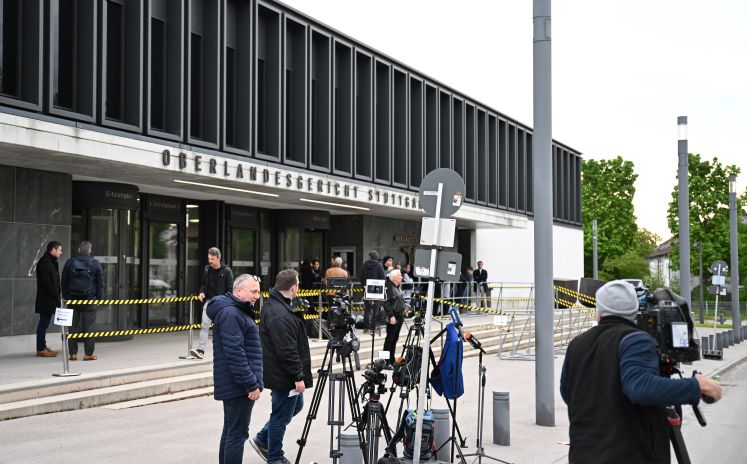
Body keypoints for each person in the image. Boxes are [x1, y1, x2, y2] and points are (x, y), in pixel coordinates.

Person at [560, 280, 722, 463]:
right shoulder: (635, 340)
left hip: (582, 455)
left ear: (599, 312)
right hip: (628, 455)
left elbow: (568, 393)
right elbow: (640, 388)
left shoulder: (577, 344)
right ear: (634, 310)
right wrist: (696, 386)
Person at [251, 269, 312, 464]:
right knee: (280, 416)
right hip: (283, 375)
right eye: (298, 284)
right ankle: (275, 457)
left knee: (296, 405)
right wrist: (297, 376)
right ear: (293, 287)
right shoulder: (279, 313)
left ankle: (263, 438)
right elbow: (286, 350)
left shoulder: (278, 305)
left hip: (281, 372)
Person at [207, 274, 263, 464]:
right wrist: (251, 384)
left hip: (235, 383)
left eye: (258, 292)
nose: (257, 296)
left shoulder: (236, 310)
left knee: (231, 432)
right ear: (238, 291)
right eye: (253, 291)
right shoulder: (232, 313)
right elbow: (235, 353)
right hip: (238, 385)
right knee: (237, 434)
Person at [61, 241, 104, 361]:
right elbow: (100, 283)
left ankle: (73, 354)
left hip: (73, 300)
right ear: (90, 250)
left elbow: (64, 281)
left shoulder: (70, 262)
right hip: (89, 300)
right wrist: (98, 298)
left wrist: (66, 296)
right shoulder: (95, 263)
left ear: (78, 250)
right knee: (89, 327)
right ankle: (88, 354)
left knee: (72, 327)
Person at [192, 247, 235, 359]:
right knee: (204, 325)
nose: (210, 261)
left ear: (218, 258)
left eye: (212, 259)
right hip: (209, 301)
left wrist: (226, 304)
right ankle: (200, 350)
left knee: (221, 328)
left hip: (222, 303)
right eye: (209, 258)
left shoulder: (227, 271)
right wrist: (202, 292)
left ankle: (225, 351)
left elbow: (230, 290)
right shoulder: (207, 269)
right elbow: (203, 284)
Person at [35, 241, 63, 357]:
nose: (61, 252)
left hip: (49, 299)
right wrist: (55, 295)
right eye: (59, 250)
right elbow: (46, 282)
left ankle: (42, 346)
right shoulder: (45, 262)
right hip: (46, 300)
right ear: (53, 250)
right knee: (43, 324)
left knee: (44, 324)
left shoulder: (50, 261)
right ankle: (41, 349)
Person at [383, 269, 406, 366]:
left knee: (394, 339)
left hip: (399, 316)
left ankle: (391, 360)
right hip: (393, 316)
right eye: (400, 275)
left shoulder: (397, 286)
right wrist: (391, 316)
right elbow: (385, 303)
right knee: (389, 339)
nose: (401, 277)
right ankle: (385, 361)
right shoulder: (389, 287)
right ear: (394, 277)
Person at [360, 251, 386, 331]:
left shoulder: (364, 265)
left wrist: (364, 288)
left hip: (367, 289)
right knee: (375, 309)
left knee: (367, 309)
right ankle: (373, 328)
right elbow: (383, 277)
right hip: (377, 290)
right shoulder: (379, 265)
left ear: (370, 256)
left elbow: (361, 278)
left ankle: (366, 328)